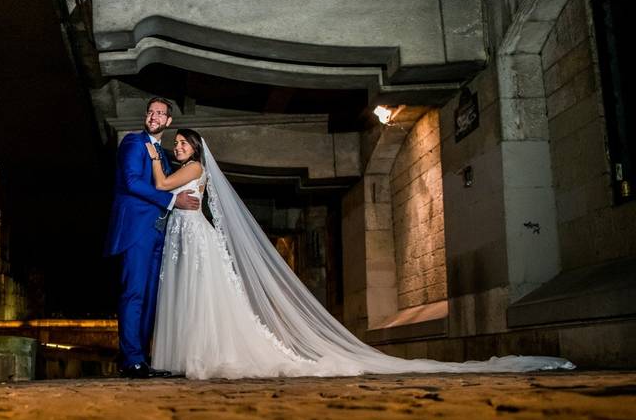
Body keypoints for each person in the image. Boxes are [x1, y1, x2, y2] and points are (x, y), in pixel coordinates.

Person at [145, 129, 575, 380]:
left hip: (196, 236)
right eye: (175, 143)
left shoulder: (194, 168)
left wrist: (153, 156)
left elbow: (164, 186)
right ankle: (186, 354)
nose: (178, 145)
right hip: (184, 233)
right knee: (189, 293)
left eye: (183, 142)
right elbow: (172, 198)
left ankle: (206, 354)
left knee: (203, 293)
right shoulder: (189, 168)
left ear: (196, 150)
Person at [104, 98, 200, 378]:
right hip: (136, 230)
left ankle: (141, 359)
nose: (154, 116)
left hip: (157, 234)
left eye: (161, 113)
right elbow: (133, 182)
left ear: (168, 121)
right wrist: (173, 201)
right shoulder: (134, 143)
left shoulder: (163, 154)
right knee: (134, 293)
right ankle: (131, 359)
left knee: (149, 297)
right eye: (151, 112)